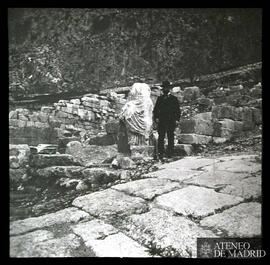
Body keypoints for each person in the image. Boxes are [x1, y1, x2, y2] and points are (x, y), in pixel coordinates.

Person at [119, 82, 153, 148]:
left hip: (140, 127)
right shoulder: (148, 102)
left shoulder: (130, 105)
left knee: (135, 142)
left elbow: (123, 116)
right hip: (145, 126)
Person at [153, 80, 180, 159]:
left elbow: (177, 110)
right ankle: (161, 152)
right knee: (161, 136)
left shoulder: (173, 99)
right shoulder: (160, 99)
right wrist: (156, 118)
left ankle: (170, 152)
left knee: (170, 136)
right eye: (164, 88)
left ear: (169, 89)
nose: (165, 89)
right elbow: (155, 110)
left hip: (171, 120)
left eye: (167, 88)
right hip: (162, 121)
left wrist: (177, 119)